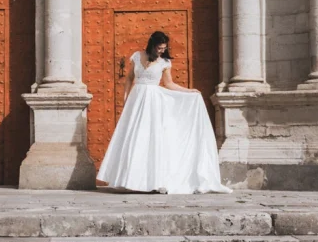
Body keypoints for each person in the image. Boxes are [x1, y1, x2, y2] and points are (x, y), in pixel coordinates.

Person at [96, 30, 231, 194]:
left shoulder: (164, 62)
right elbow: (130, 78)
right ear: (152, 45)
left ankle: (153, 181)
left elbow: (169, 84)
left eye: (163, 48)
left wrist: (189, 91)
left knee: (151, 138)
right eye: (159, 48)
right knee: (134, 137)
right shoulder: (137, 56)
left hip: (153, 102)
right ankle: (130, 180)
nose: (161, 50)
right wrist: (126, 99)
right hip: (136, 99)